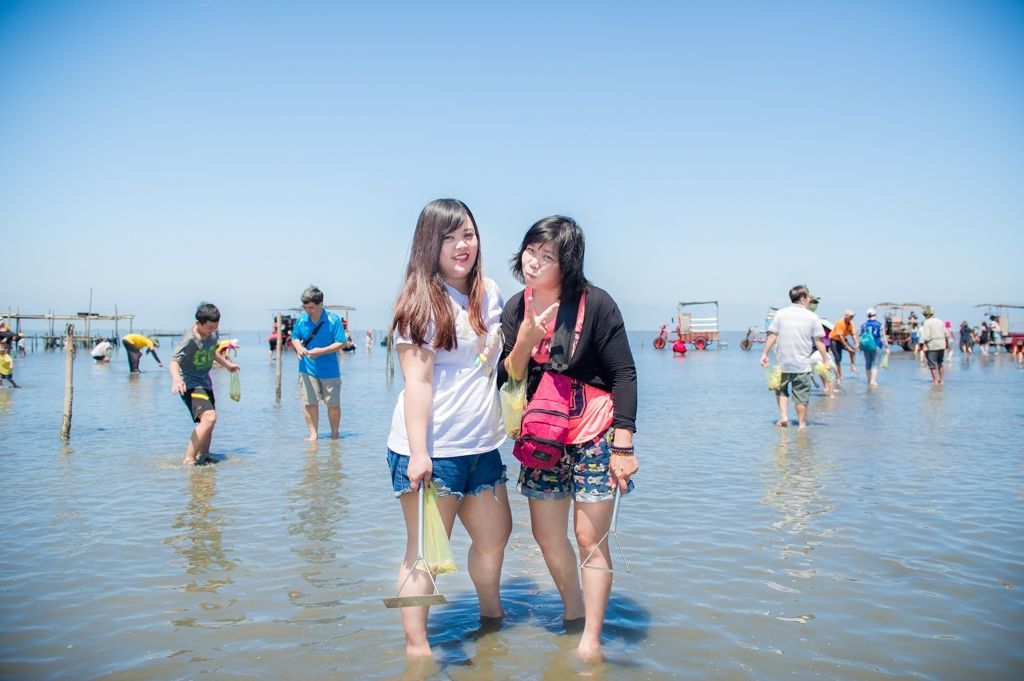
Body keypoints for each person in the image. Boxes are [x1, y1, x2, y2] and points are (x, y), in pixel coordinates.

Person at [500, 215, 638, 661]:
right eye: (530, 251)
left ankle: (591, 639)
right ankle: (573, 607)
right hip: (542, 436)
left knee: (588, 537)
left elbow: (624, 374)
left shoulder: (597, 303)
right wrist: (525, 341)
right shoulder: (516, 308)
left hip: (595, 432)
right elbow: (509, 375)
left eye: (547, 256)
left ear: (569, 263)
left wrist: (623, 445)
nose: (533, 262)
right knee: (546, 534)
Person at [386, 199, 511, 658]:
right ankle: (417, 647)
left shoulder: (489, 292)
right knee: (425, 553)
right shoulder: (419, 303)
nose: (463, 246)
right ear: (430, 244)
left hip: (482, 445)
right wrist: (420, 453)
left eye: (469, 235)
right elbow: (417, 384)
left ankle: (491, 617)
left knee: (496, 536)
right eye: (450, 237)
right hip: (432, 449)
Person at [169, 303, 240, 466]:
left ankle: (204, 455)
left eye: (216, 326)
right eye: (209, 327)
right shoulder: (189, 340)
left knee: (209, 421)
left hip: (205, 383)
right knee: (209, 417)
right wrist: (176, 379)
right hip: (190, 384)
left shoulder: (212, 334)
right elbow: (174, 361)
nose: (213, 330)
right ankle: (189, 459)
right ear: (198, 322)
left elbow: (212, 351)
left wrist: (227, 365)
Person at [760, 285, 828, 429]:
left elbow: (772, 335)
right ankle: (801, 424)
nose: (809, 300)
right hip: (802, 365)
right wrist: (825, 359)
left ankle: (784, 416)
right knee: (801, 397)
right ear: (802, 299)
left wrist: (764, 353)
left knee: (781, 390)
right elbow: (819, 341)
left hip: (783, 363)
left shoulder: (781, 313)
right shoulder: (812, 316)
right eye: (808, 297)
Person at [290, 285, 348, 441]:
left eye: (311, 307)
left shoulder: (333, 320)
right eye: (305, 307)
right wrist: (298, 347)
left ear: (321, 304)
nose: (308, 310)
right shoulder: (301, 319)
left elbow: (341, 342)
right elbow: (295, 338)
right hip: (307, 368)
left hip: (330, 369)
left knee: (333, 404)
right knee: (310, 403)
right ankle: (313, 436)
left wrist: (321, 351)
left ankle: (334, 435)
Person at [859, 308, 890, 386]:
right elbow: (883, 337)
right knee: (875, 364)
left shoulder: (863, 325)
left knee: (868, 363)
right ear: (875, 314)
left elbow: (860, 336)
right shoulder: (879, 324)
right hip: (877, 345)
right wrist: (887, 347)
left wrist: (859, 345)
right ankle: (873, 381)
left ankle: (869, 380)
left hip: (866, 346)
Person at [828, 310, 859, 383]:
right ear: (846, 316)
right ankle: (839, 376)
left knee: (853, 350)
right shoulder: (839, 322)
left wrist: (857, 342)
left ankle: (852, 366)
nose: (852, 318)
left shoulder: (851, 323)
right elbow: (840, 337)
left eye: (852, 316)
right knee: (838, 359)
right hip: (834, 340)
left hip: (842, 339)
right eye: (850, 316)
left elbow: (853, 334)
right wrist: (847, 348)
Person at [919, 306, 948, 384]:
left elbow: (926, 336)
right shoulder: (940, 321)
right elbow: (946, 334)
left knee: (932, 364)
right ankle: (941, 380)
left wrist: (922, 346)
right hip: (942, 345)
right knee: (940, 363)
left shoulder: (926, 322)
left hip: (932, 345)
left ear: (926, 314)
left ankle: (935, 381)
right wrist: (947, 344)